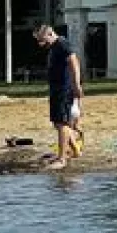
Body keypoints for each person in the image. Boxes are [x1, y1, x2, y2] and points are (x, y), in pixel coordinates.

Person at [35, 24, 84, 169]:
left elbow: (74, 62)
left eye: (43, 40)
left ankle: (62, 159)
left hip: (64, 89)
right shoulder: (54, 46)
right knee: (58, 123)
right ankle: (75, 150)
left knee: (63, 123)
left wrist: (76, 84)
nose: (42, 44)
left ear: (50, 33)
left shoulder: (62, 43)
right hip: (56, 89)